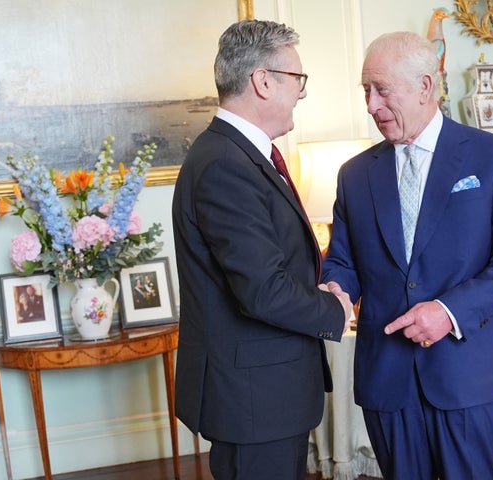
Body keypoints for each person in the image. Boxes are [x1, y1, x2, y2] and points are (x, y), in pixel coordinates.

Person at [322, 31, 493, 479]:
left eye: (381, 89)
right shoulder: (354, 174)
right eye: (366, 90)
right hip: (387, 377)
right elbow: (342, 259)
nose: (371, 105)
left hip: (466, 374)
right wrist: (334, 290)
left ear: (424, 86)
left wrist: (447, 311)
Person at [172, 19, 353, 480]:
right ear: (263, 81)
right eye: (298, 79)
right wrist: (334, 307)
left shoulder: (238, 155)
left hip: (263, 395)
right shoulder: (225, 165)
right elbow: (262, 291)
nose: (303, 93)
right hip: (253, 400)